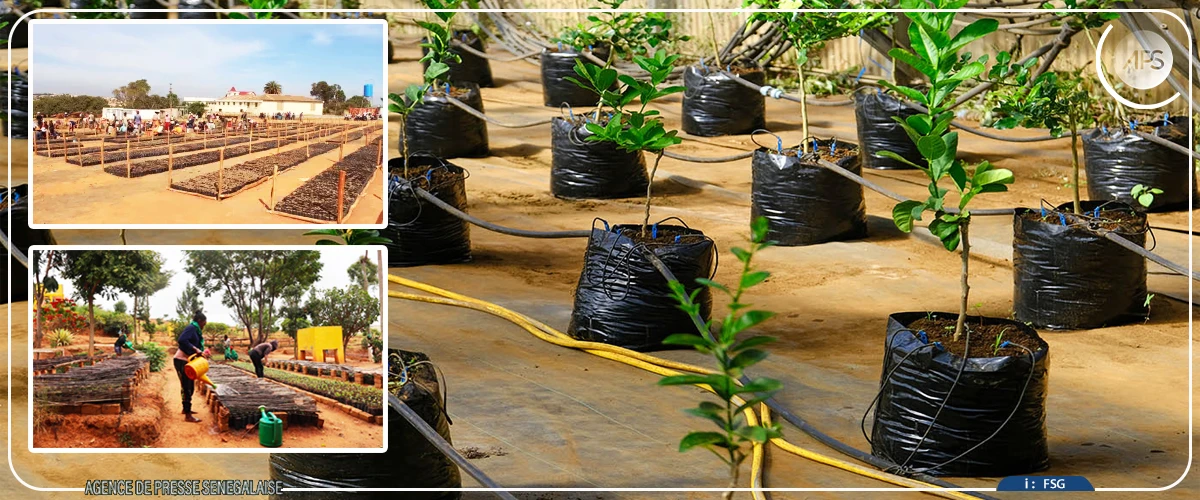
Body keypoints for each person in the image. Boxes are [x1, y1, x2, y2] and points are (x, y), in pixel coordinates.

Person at [173, 312, 210, 423]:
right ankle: (188, 415)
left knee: (189, 386)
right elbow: (182, 340)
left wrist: (200, 351)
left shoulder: (196, 330)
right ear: (199, 321)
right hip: (181, 361)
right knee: (187, 387)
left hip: (187, 361)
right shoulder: (191, 328)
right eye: (203, 324)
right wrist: (195, 349)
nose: (204, 326)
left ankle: (186, 409)